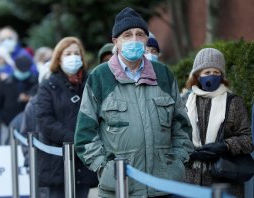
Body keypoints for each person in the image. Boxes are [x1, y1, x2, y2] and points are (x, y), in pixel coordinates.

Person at [74, 7, 193, 197]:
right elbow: (85, 135)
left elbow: (182, 127)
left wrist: (177, 163)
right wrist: (104, 169)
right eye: (127, 35)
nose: (134, 40)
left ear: (147, 40)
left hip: (164, 187)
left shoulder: (163, 75)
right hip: (120, 188)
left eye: (140, 34)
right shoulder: (100, 77)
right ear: (116, 42)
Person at [184, 48, 253, 197]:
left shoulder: (234, 102)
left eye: (217, 72)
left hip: (225, 182)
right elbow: (175, 138)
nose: (212, 76)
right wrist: (191, 154)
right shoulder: (185, 103)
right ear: (197, 75)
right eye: (207, 72)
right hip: (191, 181)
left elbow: (247, 140)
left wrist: (224, 146)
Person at [35, 37, 97, 198]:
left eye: (76, 53)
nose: (73, 57)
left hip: (84, 160)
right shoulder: (48, 85)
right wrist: (74, 138)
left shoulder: (91, 82)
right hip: (57, 162)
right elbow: (44, 120)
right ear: (59, 58)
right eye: (67, 53)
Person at [0, 55, 37, 127]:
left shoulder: (35, 82)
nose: (22, 73)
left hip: (28, 121)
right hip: (8, 120)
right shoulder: (6, 82)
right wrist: (3, 118)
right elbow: (0, 102)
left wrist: (30, 97)